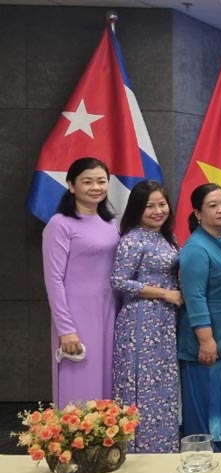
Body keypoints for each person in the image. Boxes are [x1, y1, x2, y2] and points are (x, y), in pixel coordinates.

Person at [42, 157, 120, 407]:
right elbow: (54, 279)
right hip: (76, 313)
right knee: (79, 382)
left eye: (101, 181)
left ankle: (106, 432)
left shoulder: (111, 223)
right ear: (71, 185)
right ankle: (77, 432)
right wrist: (66, 329)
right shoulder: (59, 224)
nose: (96, 187)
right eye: (87, 182)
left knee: (106, 382)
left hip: (109, 310)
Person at [110, 180, 181, 453]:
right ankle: (139, 451)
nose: (158, 211)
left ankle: (164, 449)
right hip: (140, 322)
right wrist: (164, 293)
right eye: (150, 206)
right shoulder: (132, 239)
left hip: (164, 321)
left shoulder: (166, 237)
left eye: (162, 204)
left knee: (162, 386)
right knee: (143, 387)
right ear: (137, 209)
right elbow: (118, 280)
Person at [178, 183, 221, 451]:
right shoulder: (195, 248)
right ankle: (203, 463)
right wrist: (206, 340)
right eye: (213, 205)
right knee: (206, 414)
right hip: (206, 341)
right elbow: (194, 297)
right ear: (198, 213)